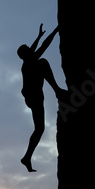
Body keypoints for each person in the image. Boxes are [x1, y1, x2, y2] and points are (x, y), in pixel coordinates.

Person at [17, 23, 66, 172]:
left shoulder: (28, 61)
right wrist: (56, 30)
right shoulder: (29, 63)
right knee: (43, 63)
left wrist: (39, 36)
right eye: (28, 48)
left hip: (33, 96)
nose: (30, 48)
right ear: (26, 54)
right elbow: (45, 45)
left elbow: (33, 49)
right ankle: (57, 91)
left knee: (39, 129)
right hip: (33, 96)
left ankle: (26, 157)